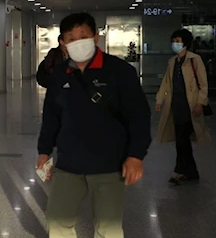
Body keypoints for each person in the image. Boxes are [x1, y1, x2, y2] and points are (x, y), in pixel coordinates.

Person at [37, 13, 151, 238]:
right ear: (62, 42)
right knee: (57, 220)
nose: (77, 42)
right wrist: (44, 151)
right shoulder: (60, 74)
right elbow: (51, 115)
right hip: (69, 164)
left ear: (95, 37)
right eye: (71, 38)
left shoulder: (119, 71)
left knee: (108, 228)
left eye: (83, 36)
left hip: (109, 165)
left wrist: (135, 155)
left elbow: (139, 115)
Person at [156, 29, 211, 185]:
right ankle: (192, 172)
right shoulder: (173, 61)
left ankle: (178, 171)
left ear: (185, 43)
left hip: (190, 106)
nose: (176, 44)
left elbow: (203, 83)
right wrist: (159, 100)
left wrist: (200, 102)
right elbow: (166, 82)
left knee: (181, 139)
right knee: (183, 141)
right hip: (176, 105)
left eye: (178, 41)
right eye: (174, 40)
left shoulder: (195, 60)